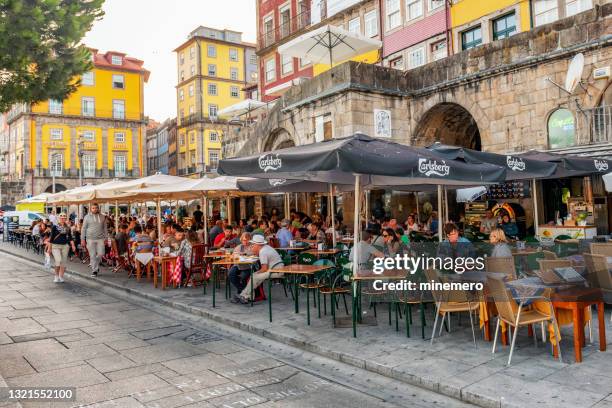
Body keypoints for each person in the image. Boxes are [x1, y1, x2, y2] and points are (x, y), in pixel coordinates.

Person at [233, 235, 284, 304]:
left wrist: (257, 273)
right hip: (276, 269)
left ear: (258, 244)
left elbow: (264, 269)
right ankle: (248, 296)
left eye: (253, 244)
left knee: (254, 276)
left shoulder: (263, 251)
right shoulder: (266, 247)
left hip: (276, 271)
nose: (252, 245)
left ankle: (244, 296)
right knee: (254, 276)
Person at [81, 203, 107, 277]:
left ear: (98, 208)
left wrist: (106, 238)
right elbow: (83, 229)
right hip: (90, 239)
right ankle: (94, 270)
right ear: (91, 209)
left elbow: (105, 228)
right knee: (92, 255)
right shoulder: (87, 217)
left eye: (96, 208)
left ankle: (94, 264)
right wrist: (82, 239)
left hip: (100, 239)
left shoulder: (103, 217)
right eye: (93, 208)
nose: (95, 209)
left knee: (101, 253)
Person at [49, 213, 76, 283]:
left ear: (66, 218)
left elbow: (70, 237)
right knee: (58, 260)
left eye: (64, 217)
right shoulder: (55, 226)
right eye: (61, 217)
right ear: (59, 218)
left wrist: (73, 245)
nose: (63, 218)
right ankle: (56, 276)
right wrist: (49, 248)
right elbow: (51, 238)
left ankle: (61, 276)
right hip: (55, 246)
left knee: (63, 263)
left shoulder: (68, 227)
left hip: (65, 246)